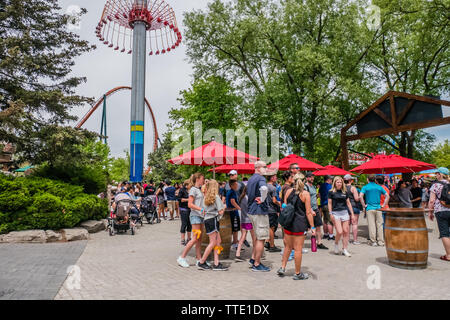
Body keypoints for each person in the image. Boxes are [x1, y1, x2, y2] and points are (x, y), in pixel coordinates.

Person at [277, 174, 315, 280]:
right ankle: (297, 273)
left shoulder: (288, 192)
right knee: (298, 249)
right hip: (300, 224)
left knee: (288, 247)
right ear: (303, 181)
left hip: (288, 223)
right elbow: (308, 213)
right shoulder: (305, 194)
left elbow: (285, 207)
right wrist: (312, 227)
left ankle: (282, 267)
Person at [197, 180, 228, 271]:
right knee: (213, 242)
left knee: (218, 241)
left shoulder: (206, 197)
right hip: (213, 220)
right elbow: (220, 211)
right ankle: (202, 262)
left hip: (208, 220)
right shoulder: (216, 197)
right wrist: (224, 206)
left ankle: (216, 263)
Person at [246, 161, 272, 272]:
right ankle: (257, 264)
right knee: (261, 238)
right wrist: (262, 198)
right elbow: (264, 189)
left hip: (252, 210)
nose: (266, 169)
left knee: (257, 236)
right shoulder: (261, 178)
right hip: (259, 211)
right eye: (265, 167)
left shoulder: (251, 179)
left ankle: (253, 259)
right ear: (258, 168)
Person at [177, 173, 206, 268]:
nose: (204, 180)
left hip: (200, 216)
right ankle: (182, 257)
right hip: (195, 216)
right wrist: (200, 209)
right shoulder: (193, 190)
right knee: (195, 239)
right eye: (203, 178)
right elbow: (190, 204)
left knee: (199, 240)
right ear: (197, 179)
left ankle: (199, 259)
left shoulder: (199, 189)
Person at [360, 175, 389, 247]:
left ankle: (373, 241)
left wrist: (364, 205)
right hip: (378, 208)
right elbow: (387, 196)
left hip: (369, 208)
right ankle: (381, 241)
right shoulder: (379, 187)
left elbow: (360, 196)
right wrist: (384, 204)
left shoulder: (365, 187)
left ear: (367, 179)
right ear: (375, 180)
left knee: (372, 225)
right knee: (380, 225)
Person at [328, 176, 354, 257]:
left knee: (346, 231)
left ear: (342, 183)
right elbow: (329, 203)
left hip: (344, 213)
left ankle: (344, 249)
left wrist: (352, 214)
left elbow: (348, 203)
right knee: (339, 231)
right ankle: (336, 244)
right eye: (337, 182)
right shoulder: (331, 192)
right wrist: (330, 213)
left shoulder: (345, 192)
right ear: (334, 183)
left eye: (340, 182)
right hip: (335, 213)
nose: (339, 183)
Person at [428, 167, 450, 262]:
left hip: (440, 210)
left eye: (436, 173)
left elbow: (432, 200)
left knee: (444, 233)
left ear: (440, 174)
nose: (436, 175)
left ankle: (448, 255)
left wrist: (430, 212)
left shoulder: (435, 185)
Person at [305, 173, 327, 249]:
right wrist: (311, 209)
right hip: (308, 210)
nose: (312, 178)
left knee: (318, 226)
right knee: (306, 228)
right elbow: (305, 200)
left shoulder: (313, 187)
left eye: (313, 177)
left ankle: (319, 243)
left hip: (315, 209)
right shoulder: (305, 187)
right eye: (310, 177)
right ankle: (299, 244)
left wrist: (317, 208)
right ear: (307, 178)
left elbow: (314, 197)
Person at [235, 186, 256, 262]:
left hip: (243, 220)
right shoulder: (249, 199)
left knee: (243, 236)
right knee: (254, 239)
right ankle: (254, 255)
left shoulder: (242, 198)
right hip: (249, 220)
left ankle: (237, 254)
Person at [266, 173, 282, 252]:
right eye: (275, 177)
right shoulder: (273, 188)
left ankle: (267, 242)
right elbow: (274, 200)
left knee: (268, 227)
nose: (276, 178)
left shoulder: (264, 186)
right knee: (272, 228)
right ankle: (272, 246)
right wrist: (280, 204)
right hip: (272, 210)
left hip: (265, 209)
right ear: (272, 178)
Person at [344, 174, 361, 245]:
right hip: (354, 206)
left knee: (347, 224)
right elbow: (356, 199)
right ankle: (355, 240)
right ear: (350, 180)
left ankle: (346, 239)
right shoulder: (353, 188)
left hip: (345, 207)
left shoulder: (343, 188)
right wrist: (360, 196)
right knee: (354, 224)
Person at [226, 179, 241, 250]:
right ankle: (235, 244)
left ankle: (235, 242)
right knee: (235, 229)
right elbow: (232, 201)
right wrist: (239, 208)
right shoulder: (232, 192)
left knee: (234, 229)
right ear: (231, 185)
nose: (237, 186)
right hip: (233, 212)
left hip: (232, 212)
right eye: (235, 184)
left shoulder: (231, 191)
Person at [319, 175, 334, 240]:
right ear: (328, 179)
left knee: (325, 220)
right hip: (328, 205)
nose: (331, 180)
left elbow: (319, 195)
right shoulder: (330, 187)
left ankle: (325, 234)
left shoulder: (321, 186)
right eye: (331, 179)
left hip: (323, 204)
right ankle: (331, 235)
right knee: (330, 221)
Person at [178, 180, 192, 246]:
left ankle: (189, 238)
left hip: (190, 209)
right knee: (184, 224)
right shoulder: (182, 190)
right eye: (190, 184)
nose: (191, 185)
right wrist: (188, 200)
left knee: (190, 224)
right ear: (186, 185)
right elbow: (180, 199)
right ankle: (182, 239)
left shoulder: (191, 190)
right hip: (184, 209)